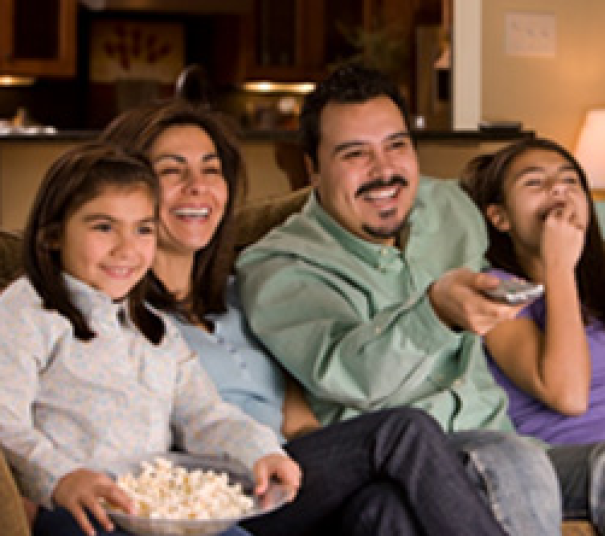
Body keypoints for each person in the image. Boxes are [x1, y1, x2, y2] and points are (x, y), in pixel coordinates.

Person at [235, 63, 605, 535]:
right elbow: (349, 374)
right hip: (409, 465)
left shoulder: (444, 206)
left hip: (512, 443)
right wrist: (434, 315)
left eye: (396, 146)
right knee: (514, 461)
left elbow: (551, 211)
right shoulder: (279, 267)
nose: (384, 170)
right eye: (354, 154)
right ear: (312, 168)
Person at [100, 99, 509, 536]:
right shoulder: (117, 317)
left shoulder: (243, 294)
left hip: (291, 480)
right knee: (405, 430)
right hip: (212, 490)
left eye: (211, 170)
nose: (197, 186)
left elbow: (299, 423)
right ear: (128, 189)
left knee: (385, 507)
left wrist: (341, 469)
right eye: (172, 171)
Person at [0, 142, 299, 536]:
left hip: (155, 504)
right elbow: (5, 421)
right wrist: (61, 478)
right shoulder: (25, 311)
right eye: (104, 227)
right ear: (53, 236)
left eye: (143, 229)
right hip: (78, 509)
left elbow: (205, 414)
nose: (127, 249)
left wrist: (261, 450)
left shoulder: (156, 330)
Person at [460, 136, 605, 448]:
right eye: (534, 182)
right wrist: (559, 268)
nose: (559, 188)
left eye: (570, 180)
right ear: (500, 217)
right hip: (594, 457)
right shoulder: (494, 291)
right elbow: (569, 396)